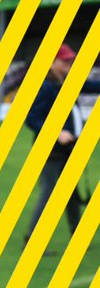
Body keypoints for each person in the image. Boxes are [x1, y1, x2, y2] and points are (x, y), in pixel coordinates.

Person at [24, 44, 100, 242]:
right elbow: (32, 118)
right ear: (51, 62)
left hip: (67, 149)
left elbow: (93, 86)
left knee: (71, 193)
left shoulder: (68, 81)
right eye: (64, 60)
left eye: (70, 59)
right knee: (49, 193)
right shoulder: (45, 87)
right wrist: (56, 132)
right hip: (50, 150)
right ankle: (32, 238)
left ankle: (77, 233)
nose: (69, 62)